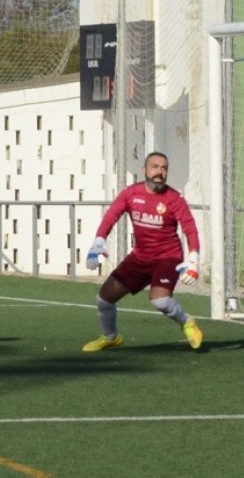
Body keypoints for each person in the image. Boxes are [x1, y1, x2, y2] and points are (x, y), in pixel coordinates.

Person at [82, 151, 203, 352]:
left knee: (160, 301)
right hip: (140, 257)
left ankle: (187, 322)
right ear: (144, 170)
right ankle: (111, 337)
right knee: (104, 299)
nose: (160, 172)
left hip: (168, 258)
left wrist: (193, 259)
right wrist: (98, 243)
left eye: (164, 168)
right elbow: (110, 217)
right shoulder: (131, 193)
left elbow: (190, 228)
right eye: (155, 167)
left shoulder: (174, 199)